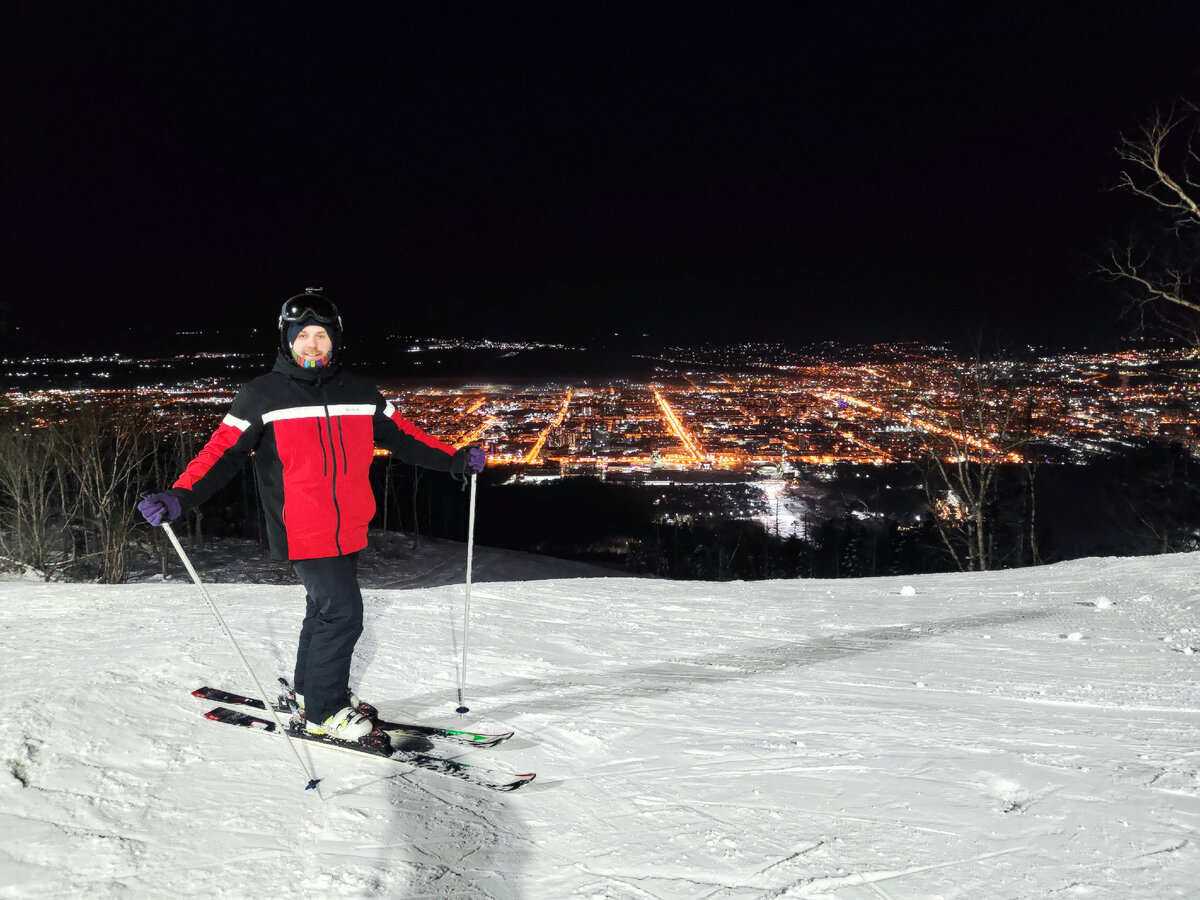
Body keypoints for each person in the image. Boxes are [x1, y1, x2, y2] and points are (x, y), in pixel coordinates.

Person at [138, 289, 485, 741]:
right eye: (303, 336)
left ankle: (309, 692)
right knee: (343, 613)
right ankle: (324, 713)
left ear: (335, 339)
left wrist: (456, 459)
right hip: (301, 526)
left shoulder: (360, 391)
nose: (313, 345)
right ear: (287, 340)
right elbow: (221, 454)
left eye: (321, 335)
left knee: (323, 611)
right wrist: (179, 496)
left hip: (351, 525)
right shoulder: (261, 394)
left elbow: (405, 436)